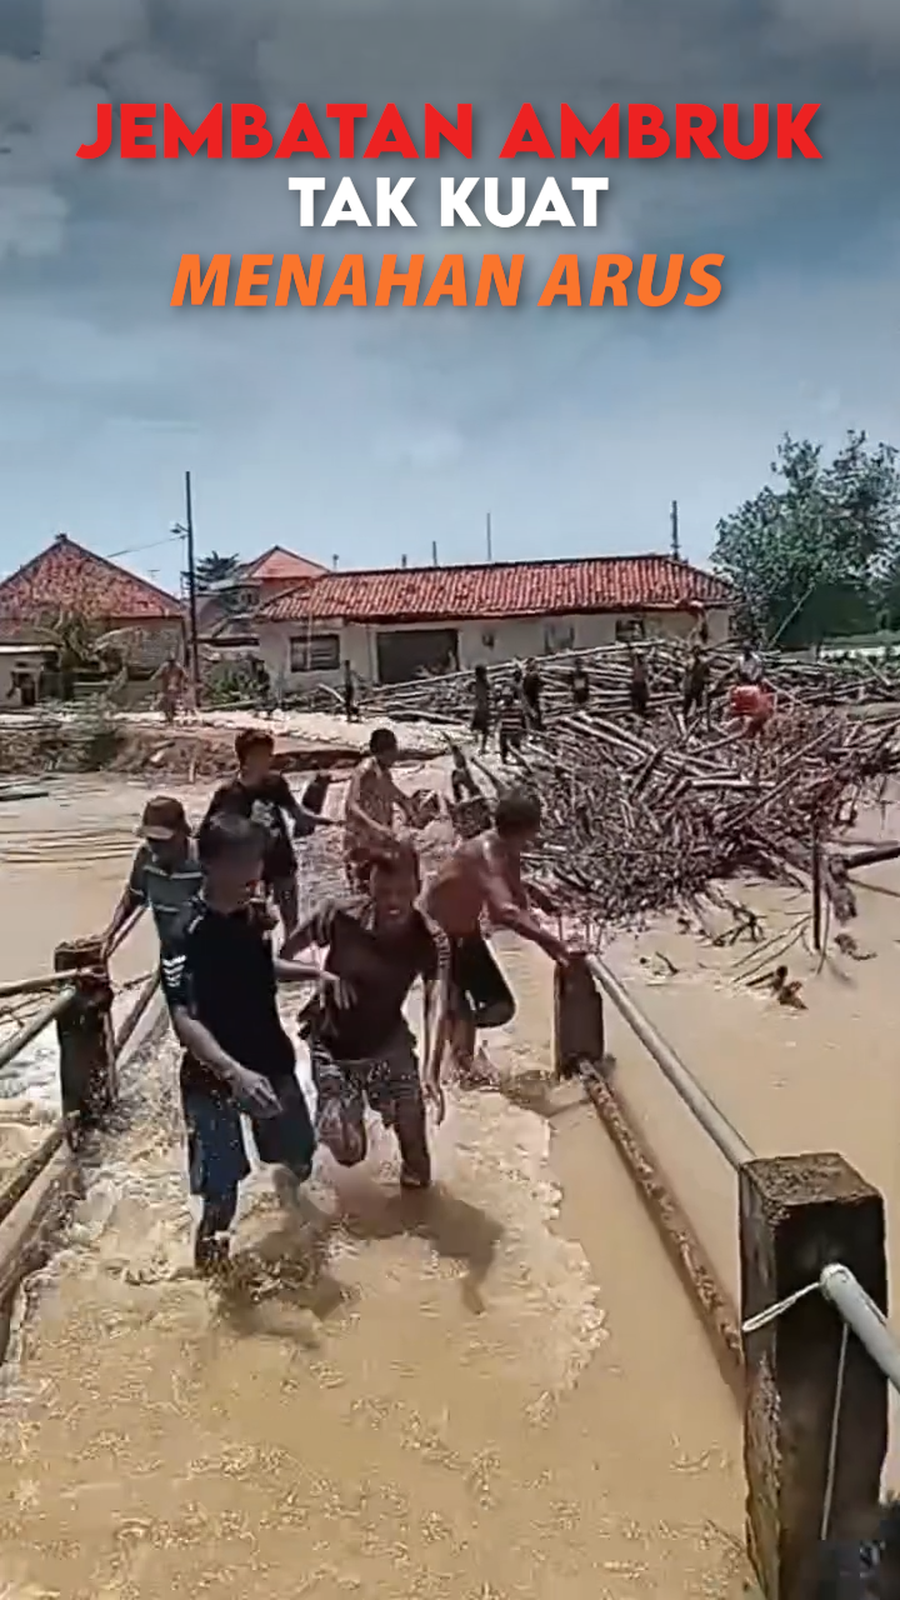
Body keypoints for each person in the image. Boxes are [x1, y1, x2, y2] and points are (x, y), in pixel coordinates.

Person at [159, 813, 335, 1275]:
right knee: (220, 1199)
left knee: (300, 1159)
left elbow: (260, 968)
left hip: (270, 1060)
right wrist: (233, 1072)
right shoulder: (184, 933)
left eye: (256, 862)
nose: (254, 874)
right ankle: (210, 1292)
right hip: (212, 1076)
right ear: (210, 864)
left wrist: (315, 973)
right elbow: (183, 1018)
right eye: (242, 864)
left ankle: (290, 1214)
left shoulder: (255, 916)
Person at [283, 846, 448, 1189]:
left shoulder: (430, 938)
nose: (393, 902)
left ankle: (416, 1212)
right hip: (334, 1045)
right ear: (368, 886)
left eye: (403, 892)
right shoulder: (338, 916)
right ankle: (328, 1115)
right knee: (349, 1154)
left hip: (389, 1043)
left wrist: (431, 1070)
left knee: (416, 1154)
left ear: (419, 887)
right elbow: (282, 960)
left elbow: (437, 1002)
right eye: (384, 891)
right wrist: (321, 975)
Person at [421, 789, 580, 1074]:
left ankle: (454, 1030)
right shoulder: (486, 852)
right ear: (524, 829)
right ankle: (457, 1067)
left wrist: (537, 898)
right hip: (435, 937)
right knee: (460, 1009)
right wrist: (553, 945)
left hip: (467, 935)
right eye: (535, 830)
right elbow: (504, 912)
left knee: (500, 1007)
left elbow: (516, 904)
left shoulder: (508, 851)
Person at [203, 729, 337, 938]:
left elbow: (297, 813)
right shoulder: (228, 794)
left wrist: (328, 821)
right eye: (263, 755)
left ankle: (291, 955)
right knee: (255, 926)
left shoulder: (275, 783)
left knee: (292, 923)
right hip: (251, 869)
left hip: (282, 859)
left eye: (269, 754)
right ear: (246, 758)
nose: (269, 759)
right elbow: (210, 832)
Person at [103, 796, 203, 951]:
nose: (156, 846)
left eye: (163, 841)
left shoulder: (204, 859)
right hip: (169, 951)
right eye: (151, 840)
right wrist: (110, 934)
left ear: (182, 833)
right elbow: (133, 897)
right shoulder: (145, 857)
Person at [343, 727, 419, 892]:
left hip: (379, 840)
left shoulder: (384, 772)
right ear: (384, 752)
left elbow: (392, 792)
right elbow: (353, 805)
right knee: (365, 891)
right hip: (362, 841)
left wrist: (407, 805)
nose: (396, 754)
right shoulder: (365, 771)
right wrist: (377, 827)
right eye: (394, 750)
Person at [497, 683, 527, 764]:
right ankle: (504, 758)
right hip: (505, 728)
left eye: (508, 696)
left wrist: (524, 728)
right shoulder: (500, 705)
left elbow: (523, 717)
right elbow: (499, 717)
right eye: (504, 696)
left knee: (516, 744)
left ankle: (518, 759)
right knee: (503, 745)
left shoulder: (518, 705)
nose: (506, 698)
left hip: (515, 728)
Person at [156, 655, 189, 723]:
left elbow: (185, 675)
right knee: (167, 702)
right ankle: (169, 715)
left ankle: (170, 715)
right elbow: (158, 674)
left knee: (170, 701)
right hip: (169, 687)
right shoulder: (167, 666)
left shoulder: (174, 666)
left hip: (173, 687)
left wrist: (183, 683)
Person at [682, 646, 709, 722]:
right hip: (690, 686)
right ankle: (685, 718)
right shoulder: (690, 663)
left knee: (698, 703)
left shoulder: (702, 664)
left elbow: (706, 673)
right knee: (687, 703)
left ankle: (698, 719)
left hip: (697, 686)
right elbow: (687, 673)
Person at [470, 665, 492, 753]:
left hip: (478, 707)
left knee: (475, 728)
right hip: (483, 708)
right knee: (485, 730)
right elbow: (491, 689)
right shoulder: (485, 683)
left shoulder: (475, 683)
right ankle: (482, 747)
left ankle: (478, 744)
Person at [521, 659, 543, 731]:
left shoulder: (529, 676)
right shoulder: (532, 676)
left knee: (533, 714)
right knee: (531, 714)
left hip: (532, 697)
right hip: (530, 697)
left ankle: (534, 729)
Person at [628, 650, 650, 717]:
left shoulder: (644, 664)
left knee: (642, 698)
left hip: (641, 682)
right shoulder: (637, 663)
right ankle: (637, 710)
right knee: (636, 697)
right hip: (637, 682)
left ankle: (641, 711)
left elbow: (645, 674)